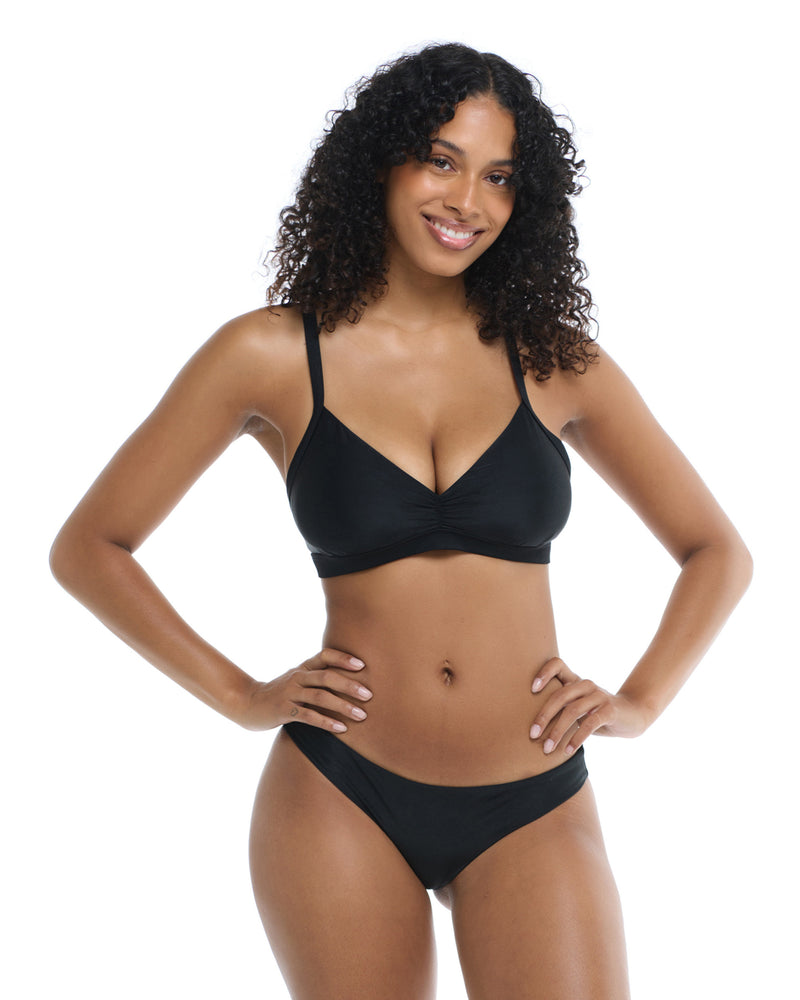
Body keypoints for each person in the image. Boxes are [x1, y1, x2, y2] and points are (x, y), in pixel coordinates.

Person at [50, 42, 752, 1000]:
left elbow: (716, 551)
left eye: (499, 177)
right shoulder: (270, 353)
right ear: (380, 162)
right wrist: (242, 695)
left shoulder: (554, 360)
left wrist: (641, 700)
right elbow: (90, 548)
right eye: (441, 160)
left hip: (534, 794)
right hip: (341, 788)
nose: (468, 200)